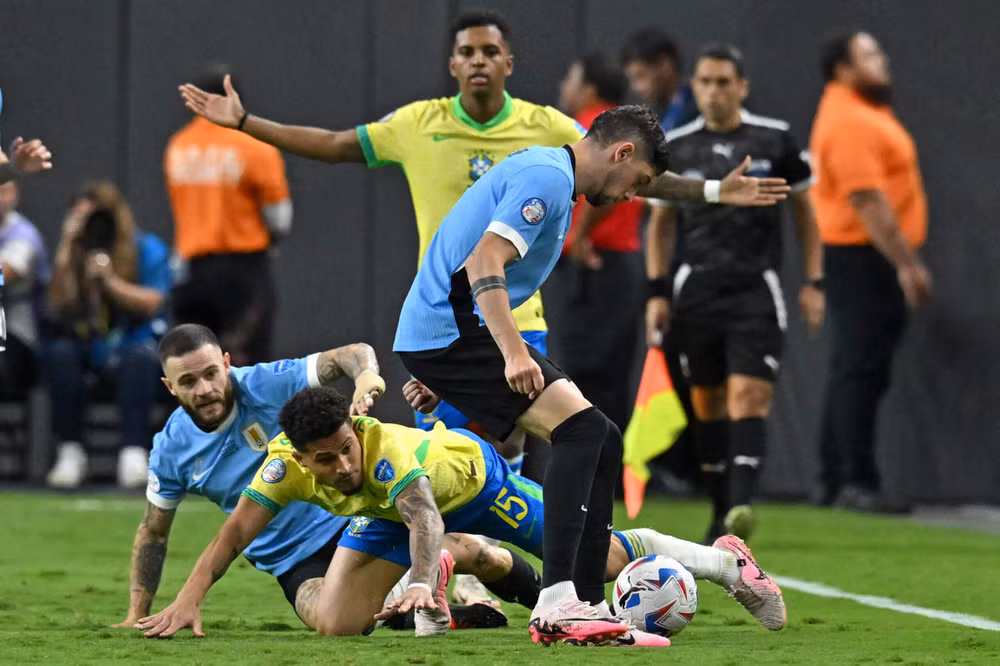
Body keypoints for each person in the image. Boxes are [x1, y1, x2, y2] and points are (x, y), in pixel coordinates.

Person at [176, 9, 588, 604]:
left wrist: (707, 189)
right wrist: (244, 122)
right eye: (466, 52)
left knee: (525, 451)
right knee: (446, 460)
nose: (477, 61)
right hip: (447, 328)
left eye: (488, 52)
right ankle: (476, 574)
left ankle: (546, 568)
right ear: (452, 64)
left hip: (521, 323)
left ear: (508, 63)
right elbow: (336, 145)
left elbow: (612, 161)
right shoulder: (419, 123)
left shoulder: (547, 126)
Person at [392, 102, 788, 645]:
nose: (631, 196)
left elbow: (466, 262)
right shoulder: (548, 180)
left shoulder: (553, 171)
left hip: (448, 333)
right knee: (580, 431)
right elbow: (484, 262)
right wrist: (511, 353)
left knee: (600, 434)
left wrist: (715, 191)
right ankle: (557, 603)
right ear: (620, 153)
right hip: (455, 331)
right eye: (636, 182)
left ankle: (583, 599)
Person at [140, 384, 786, 646]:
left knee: (610, 558)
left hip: (471, 483)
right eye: (327, 460)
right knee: (336, 625)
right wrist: (190, 597)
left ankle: (726, 564)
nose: (343, 465)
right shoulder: (282, 468)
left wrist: (422, 575)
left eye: (345, 448)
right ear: (301, 459)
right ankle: (458, 569)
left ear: (354, 428)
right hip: (391, 515)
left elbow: (423, 515)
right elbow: (233, 533)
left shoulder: (382, 452)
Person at [117, 324, 533, 637]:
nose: (205, 389)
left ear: (227, 363)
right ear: (169, 387)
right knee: (330, 623)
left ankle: (455, 557)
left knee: (477, 555)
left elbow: (353, 353)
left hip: (351, 519)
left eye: (211, 373)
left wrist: (366, 376)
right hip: (291, 561)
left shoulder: (265, 382)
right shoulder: (171, 449)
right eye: (188, 382)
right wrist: (139, 612)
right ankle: (432, 608)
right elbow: (153, 533)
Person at [644, 44, 823, 544]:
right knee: (708, 404)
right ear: (694, 87)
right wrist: (656, 292)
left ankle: (740, 508)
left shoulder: (775, 140)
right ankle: (722, 508)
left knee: (749, 395)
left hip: (755, 289)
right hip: (696, 288)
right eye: (705, 81)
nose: (714, 91)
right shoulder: (676, 145)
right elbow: (659, 223)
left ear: (741, 87)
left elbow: (806, 214)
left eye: (724, 82)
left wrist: (814, 281)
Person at [810, 31, 932, 512]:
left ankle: (835, 478)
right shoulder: (848, 118)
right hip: (862, 257)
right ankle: (855, 482)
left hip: (862, 257)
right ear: (844, 68)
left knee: (855, 369)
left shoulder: (863, 111)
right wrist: (906, 264)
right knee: (858, 369)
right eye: (870, 55)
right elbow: (866, 199)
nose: (883, 62)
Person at [44, 181, 171, 489]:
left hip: (132, 349)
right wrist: (67, 246)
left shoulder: (146, 248)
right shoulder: (73, 253)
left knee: (140, 358)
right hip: (87, 351)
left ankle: (133, 451)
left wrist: (110, 282)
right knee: (58, 353)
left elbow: (155, 301)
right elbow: (55, 304)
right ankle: (70, 450)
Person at [165, 65, 292, 366]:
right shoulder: (253, 145)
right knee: (247, 367)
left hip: (191, 274)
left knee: (194, 368)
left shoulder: (178, 146)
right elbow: (280, 219)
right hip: (242, 275)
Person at [549, 52, 645, 433]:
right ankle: (610, 473)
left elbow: (609, 183)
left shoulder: (590, 128)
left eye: (570, 78)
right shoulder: (628, 129)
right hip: (621, 263)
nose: (563, 87)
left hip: (595, 261)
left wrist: (582, 233)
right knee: (612, 376)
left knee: (581, 375)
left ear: (588, 88)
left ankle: (588, 470)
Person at [0, 179, 50, 396]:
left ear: (14, 195)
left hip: (15, 338)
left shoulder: (24, 235)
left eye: (3, 190)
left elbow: (4, 275)